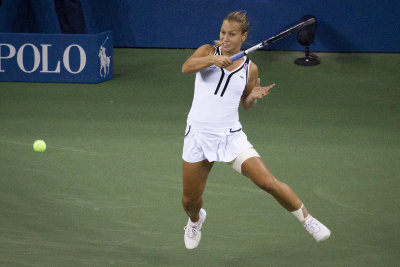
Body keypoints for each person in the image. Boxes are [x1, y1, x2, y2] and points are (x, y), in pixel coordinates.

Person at [181, 11, 330, 250]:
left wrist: (252, 96)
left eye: (231, 34)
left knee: (268, 182)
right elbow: (187, 67)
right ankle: (195, 220)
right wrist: (212, 60)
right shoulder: (208, 51)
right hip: (198, 136)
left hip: (230, 137)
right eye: (223, 32)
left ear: (243, 36)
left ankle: (307, 220)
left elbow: (245, 104)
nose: (225, 38)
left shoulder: (250, 70)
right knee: (189, 200)